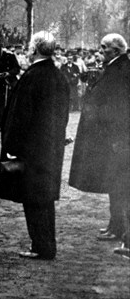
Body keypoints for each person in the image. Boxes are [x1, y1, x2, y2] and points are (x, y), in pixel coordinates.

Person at [0, 31, 70, 260]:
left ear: (35, 48)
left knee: (33, 198)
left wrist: (12, 147)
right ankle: (46, 243)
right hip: (51, 148)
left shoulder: (32, 76)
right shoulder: (58, 76)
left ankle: (41, 246)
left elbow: (21, 116)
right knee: (46, 197)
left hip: (31, 150)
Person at [69, 33, 130, 260]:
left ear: (115, 50)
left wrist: (115, 136)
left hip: (117, 140)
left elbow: (119, 107)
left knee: (121, 186)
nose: (100, 51)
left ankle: (122, 229)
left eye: (104, 48)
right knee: (115, 185)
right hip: (113, 139)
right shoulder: (116, 68)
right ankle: (115, 226)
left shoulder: (121, 70)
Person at [0, 42, 20, 131]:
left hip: (9, 82)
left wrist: (8, 73)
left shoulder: (10, 56)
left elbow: (17, 68)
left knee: (9, 103)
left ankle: (10, 123)